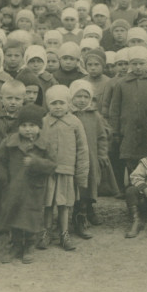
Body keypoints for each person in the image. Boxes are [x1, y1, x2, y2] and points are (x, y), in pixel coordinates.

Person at [0, 105, 56, 263]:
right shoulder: (9, 143)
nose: (28, 129)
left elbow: (52, 165)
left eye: (32, 125)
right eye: (24, 125)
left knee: (30, 216)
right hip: (13, 187)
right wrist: (3, 179)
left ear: (39, 127)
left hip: (33, 189)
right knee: (14, 214)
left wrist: (36, 162)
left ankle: (29, 245)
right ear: (18, 127)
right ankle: (15, 245)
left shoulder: (45, 144)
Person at [37, 85, 90, 252]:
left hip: (67, 171)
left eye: (61, 103)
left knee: (64, 204)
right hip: (48, 171)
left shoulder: (75, 122)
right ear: (48, 105)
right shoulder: (44, 122)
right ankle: (46, 232)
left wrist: (81, 174)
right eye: (54, 103)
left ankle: (64, 233)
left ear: (68, 104)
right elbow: (38, 147)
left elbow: (82, 149)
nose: (58, 106)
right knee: (47, 203)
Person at [107, 46, 147, 189]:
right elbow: (115, 109)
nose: (138, 67)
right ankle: (131, 190)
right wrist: (115, 130)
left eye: (141, 63)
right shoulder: (122, 83)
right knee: (130, 159)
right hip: (128, 129)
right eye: (134, 63)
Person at [69, 80, 114, 228]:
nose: (82, 100)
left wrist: (102, 154)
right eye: (78, 96)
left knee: (90, 183)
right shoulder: (68, 114)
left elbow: (102, 137)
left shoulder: (94, 116)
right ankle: (77, 212)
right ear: (71, 97)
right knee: (77, 185)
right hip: (74, 157)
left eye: (85, 97)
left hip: (91, 157)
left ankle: (89, 209)